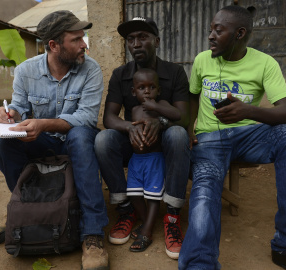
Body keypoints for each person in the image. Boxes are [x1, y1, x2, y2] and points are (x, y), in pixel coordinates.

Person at [179, 6, 286, 270]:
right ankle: (199, 262)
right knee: (205, 187)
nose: (210, 36)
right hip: (210, 139)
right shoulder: (202, 60)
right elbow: (193, 95)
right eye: (211, 29)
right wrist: (189, 129)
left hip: (250, 135)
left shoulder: (265, 63)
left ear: (239, 33)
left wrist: (248, 111)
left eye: (218, 31)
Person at [0, 11, 109, 270]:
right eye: (76, 39)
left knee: (79, 134)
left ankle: (92, 234)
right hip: (41, 140)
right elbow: (19, 106)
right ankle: (29, 211)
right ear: (54, 45)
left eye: (83, 38)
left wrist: (42, 124)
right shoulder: (25, 71)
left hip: (75, 139)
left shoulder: (91, 69)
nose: (84, 45)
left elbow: (86, 118)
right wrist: (10, 115)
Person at [94, 16, 190, 259]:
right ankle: (126, 210)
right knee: (103, 140)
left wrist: (163, 122)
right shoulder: (120, 74)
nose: (136, 43)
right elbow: (110, 118)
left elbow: (184, 117)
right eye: (131, 39)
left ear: (156, 41)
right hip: (134, 144)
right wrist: (129, 128)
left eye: (143, 37)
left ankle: (172, 216)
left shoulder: (175, 72)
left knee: (178, 134)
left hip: (163, 144)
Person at [126, 68, 181, 252]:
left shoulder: (162, 104)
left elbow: (177, 115)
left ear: (158, 90)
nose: (147, 91)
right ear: (134, 92)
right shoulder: (133, 110)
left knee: (152, 197)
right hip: (136, 159)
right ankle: (146, 223)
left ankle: (147, 232)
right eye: (142, 88)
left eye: (151, 87)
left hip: (154, 160)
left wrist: (156, 107)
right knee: (134, 194)